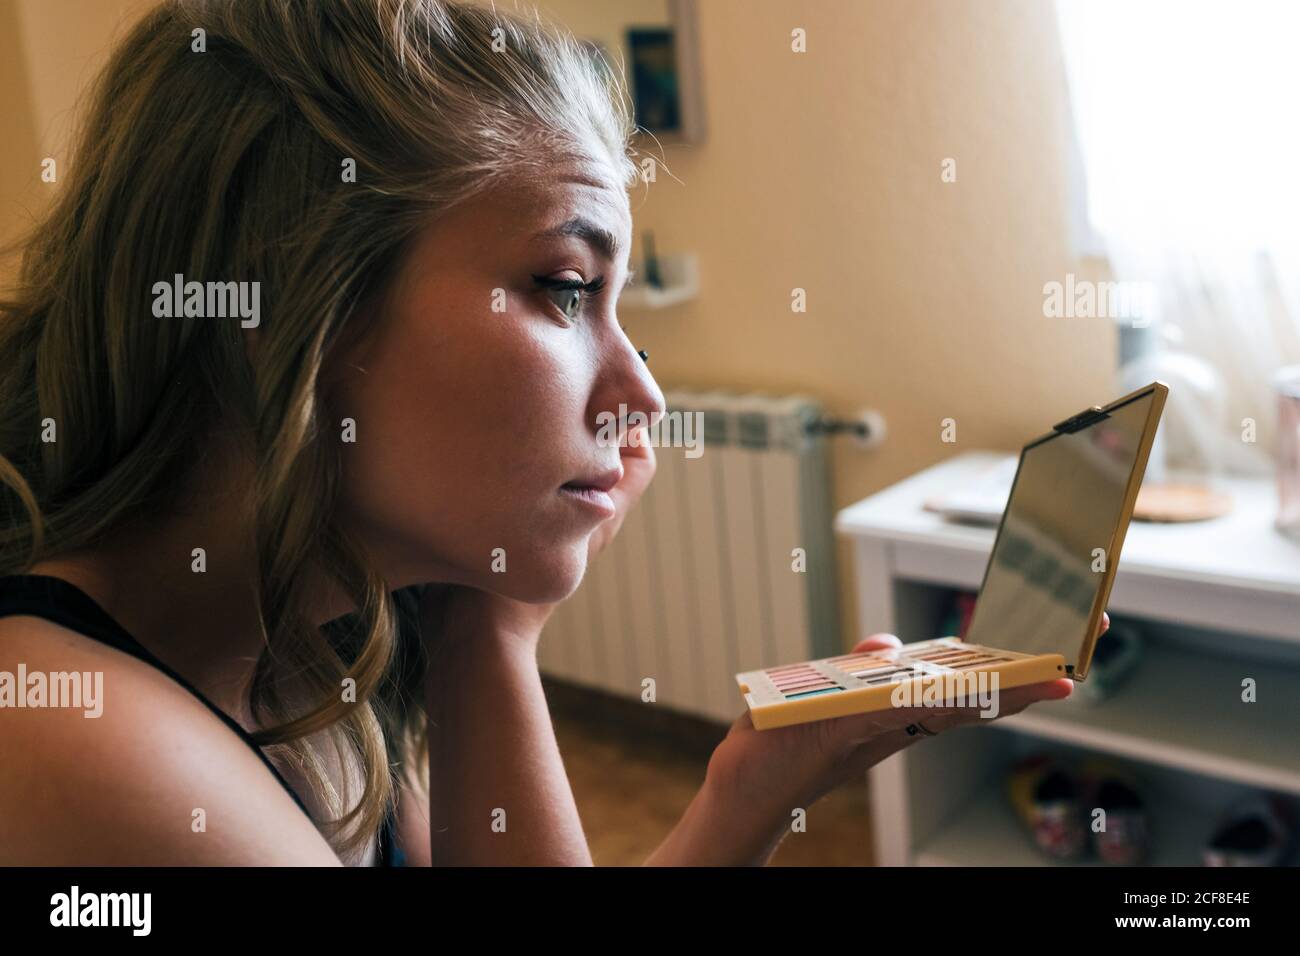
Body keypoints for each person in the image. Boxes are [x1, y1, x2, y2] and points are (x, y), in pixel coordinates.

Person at [0, 0, 1079, 866]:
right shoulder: (80, 734)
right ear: (283, 307)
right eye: (565, 288)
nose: (642, 396)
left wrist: (741, 781)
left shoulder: (314, 639)